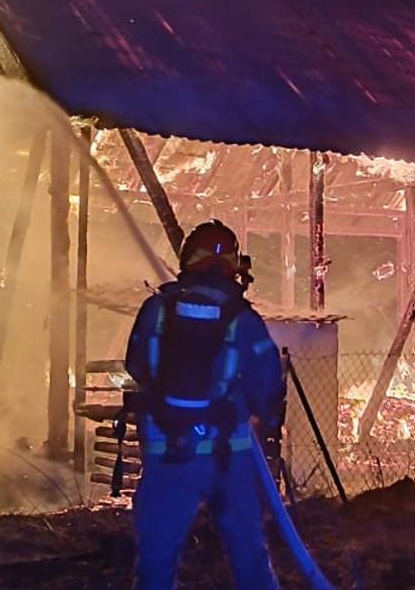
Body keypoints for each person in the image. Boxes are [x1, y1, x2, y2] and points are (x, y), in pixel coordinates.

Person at [125, 220, 286, 590]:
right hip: (230, 458)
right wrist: (263, 415)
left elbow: (136, 366)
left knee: (156, 563)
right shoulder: (243, 320)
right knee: (250, 558)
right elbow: (267, 389)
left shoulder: (156, 310)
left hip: (168, 457)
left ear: (186, 259)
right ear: (234, 264)